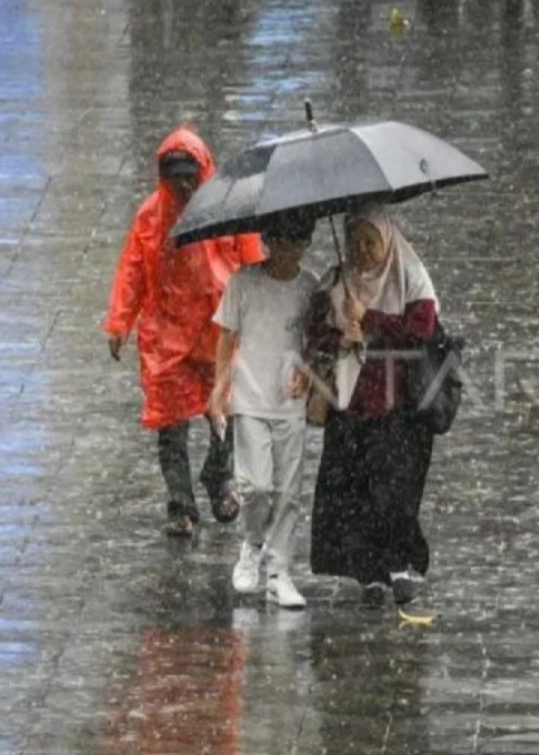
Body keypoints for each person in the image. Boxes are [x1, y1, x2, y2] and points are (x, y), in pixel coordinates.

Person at [104, 126, 264, 537]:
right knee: (171, 422)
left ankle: (219, 476)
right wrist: (120, 321)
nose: (183, 185)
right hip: (168, 334)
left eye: (189, 175)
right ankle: (181, 504)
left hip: (217, 329)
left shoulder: (227, 210)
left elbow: (252, 261)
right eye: (175, 177)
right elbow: (133, 271)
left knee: (225, 408)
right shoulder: (152, 217)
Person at [303, 207, 438, 608]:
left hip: (401, 405)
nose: (362, 252)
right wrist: (341, 334)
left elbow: (423, 329)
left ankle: (399, 564)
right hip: (351, 404)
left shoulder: (410, 276)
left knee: (394, 489)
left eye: (370, 243)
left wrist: (373, 319)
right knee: (353, 492)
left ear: (387, 240)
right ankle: (370, 574)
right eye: (355, 242)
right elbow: (313, 337)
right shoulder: (336, 282)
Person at [210, 212, 319, 609]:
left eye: (299, 243)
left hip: (289, 403)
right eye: (283, 242)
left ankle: (279, 571)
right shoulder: (243, 283)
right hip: (250, 399)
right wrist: (219, 389)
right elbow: (226, 336)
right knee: (255, 486)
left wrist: (308, 370)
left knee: (287, 491)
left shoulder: (310, 288)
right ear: (268, 241)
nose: (290, 251)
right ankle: (252, 544)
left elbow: (318, 340)